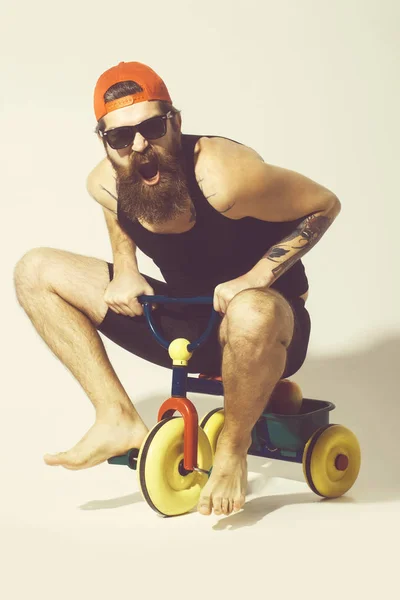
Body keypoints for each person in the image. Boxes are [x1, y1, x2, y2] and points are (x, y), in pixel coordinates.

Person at [13, 61, 341, 517]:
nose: (140, 146)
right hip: (191, 316)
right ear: (105, 142)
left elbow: (324, 205)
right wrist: (125, 267)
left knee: (251, 312)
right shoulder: (106, 180)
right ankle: (116, 417)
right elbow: (116, 205)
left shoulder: (225, 178)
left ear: (176, 122)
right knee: (35, 270)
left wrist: (256, 279)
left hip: (267, 319)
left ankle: (232, 450)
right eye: (121, 137)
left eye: (152, 126)